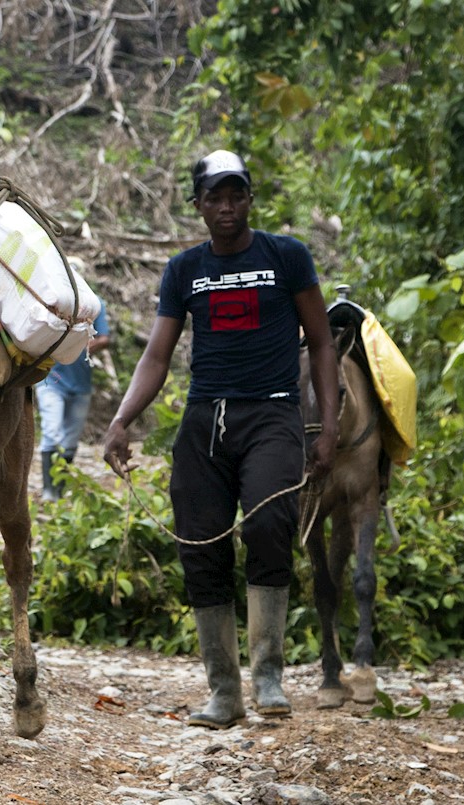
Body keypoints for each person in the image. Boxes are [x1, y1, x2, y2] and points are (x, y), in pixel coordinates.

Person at [102, 149, 339, 728]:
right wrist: (122, 419)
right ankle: (223, 690)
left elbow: (322, 342)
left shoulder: (286, 256)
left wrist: (328, 424)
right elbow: (158, 356)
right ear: (199, 205)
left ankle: (268, 676)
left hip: (273, 415)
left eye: (236, 195)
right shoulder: (185, 270)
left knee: (267, 524)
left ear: (249, 199)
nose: (227, 206)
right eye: (215, 196)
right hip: (205, 420)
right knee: (200, 544)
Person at [35, 296, 111, 501]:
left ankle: (60, 486)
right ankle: (49, 490)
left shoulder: (95, 305)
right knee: (51, 432)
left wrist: (79, 346)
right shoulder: (51, 298)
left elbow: (104, 337)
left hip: (80, 382)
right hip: (51, 380)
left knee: (70, 439)